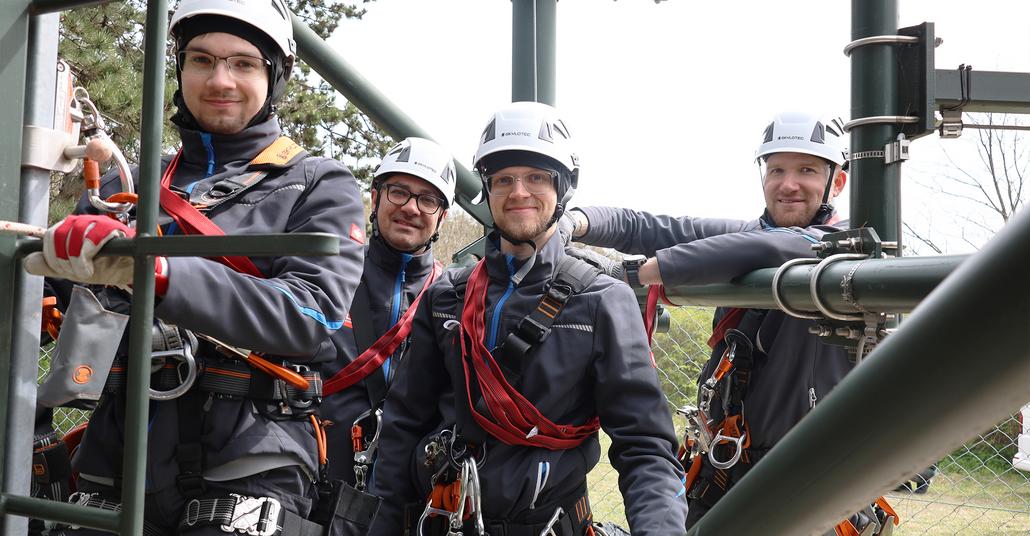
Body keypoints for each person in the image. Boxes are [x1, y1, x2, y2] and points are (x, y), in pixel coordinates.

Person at [23, 0, 365, 533]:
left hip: (251, 456)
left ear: (274, 77)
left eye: (243, 63)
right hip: (116, 455)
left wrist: (158, 272)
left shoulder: (319, 184)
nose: (220, 80)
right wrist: (44, 276)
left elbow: (311, 316)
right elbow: (44, 309)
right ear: (180, 69)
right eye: (201, 60)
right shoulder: (125, 186)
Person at [565, 112, 896, 532]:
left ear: (838, 182)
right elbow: (649, 227)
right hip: (723, 466)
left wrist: (633, 273)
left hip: (809, 482)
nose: (788, 184)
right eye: (776, 170)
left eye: (806, 170)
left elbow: (768, 248)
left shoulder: (844, 245)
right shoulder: (748, 235)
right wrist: (574, 222)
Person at [367, 101, 687, 536]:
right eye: (504, 180)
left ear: (563, 188)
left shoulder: (601, 301)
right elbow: (404, 424)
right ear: (488, 189)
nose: (518, 192)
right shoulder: (447, 296)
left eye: (537, 177)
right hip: (444, 519)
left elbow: (644, 445)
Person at [316, 137, 454, 530]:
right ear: (375, 198)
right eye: (399, 192)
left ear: (442, 217)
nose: (411, 207)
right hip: (315, 479)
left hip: (407, 497)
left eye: (428, 200)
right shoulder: (326, 273)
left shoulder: (452, 298)